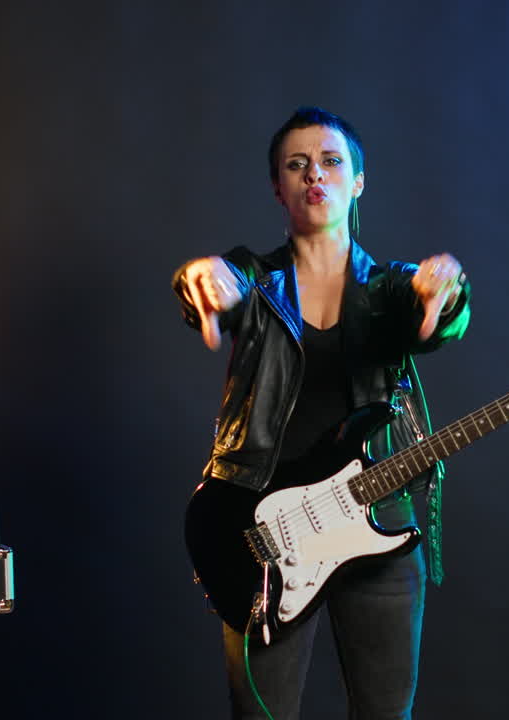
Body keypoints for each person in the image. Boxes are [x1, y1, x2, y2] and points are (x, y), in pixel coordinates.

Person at [173, 106, 471, 720]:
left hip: (377, 523)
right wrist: (201, 278)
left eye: (332, 162)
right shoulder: (255, 281)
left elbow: (441, 317)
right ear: (277, 188)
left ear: (358, 182)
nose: (316, 174)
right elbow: (212, 282)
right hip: (264, 529)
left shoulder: (394, 289)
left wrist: (448, 292)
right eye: (297, 164)